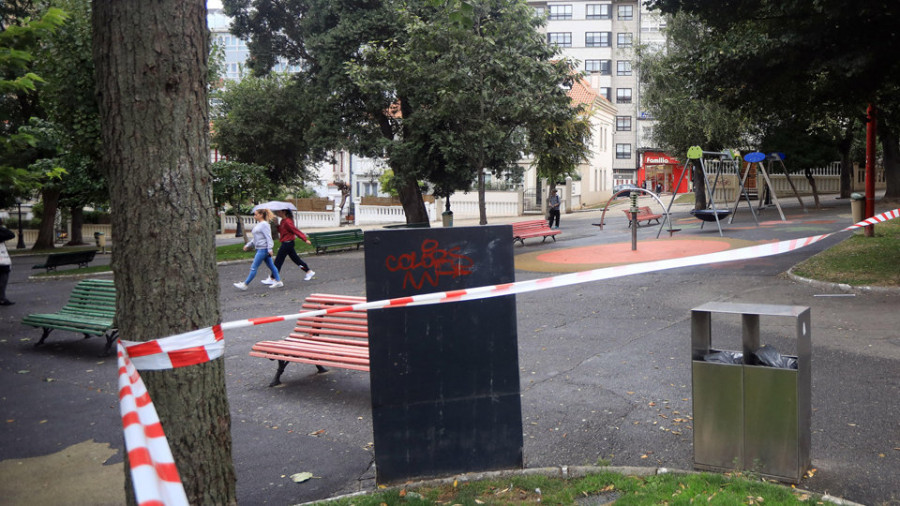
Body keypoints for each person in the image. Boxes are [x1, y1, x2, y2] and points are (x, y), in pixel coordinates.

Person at [262, 209, 315, 284]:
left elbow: (295, 230)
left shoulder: (287, 221)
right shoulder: (283, 221)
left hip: (287, 243)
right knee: (296, 259)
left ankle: (273, 278)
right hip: (287, 243)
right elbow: (282, 231)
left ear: (284, 212)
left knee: (278, 261)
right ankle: (308, 271)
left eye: (279, 212)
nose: (278, 213)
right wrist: (277, 225)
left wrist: (304, 239)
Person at [234, 208, 282, 290]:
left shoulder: (264, 225)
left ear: (261, 215)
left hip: (263, 249)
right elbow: (256, 238)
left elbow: (268, 237)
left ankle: (245, 284)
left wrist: (270, 249)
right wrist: (249, 245)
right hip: (261, 249)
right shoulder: (260, 224)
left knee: (254, 267)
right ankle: (278, 282)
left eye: (256, 214)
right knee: (271, 266)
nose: (254, 216)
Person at [0, 218, 15, 306]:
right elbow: (11, 234)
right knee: (3, 281)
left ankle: (2, 298)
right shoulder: (2, 233)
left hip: (3, 261)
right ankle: (2, 298)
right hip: (3, 261)